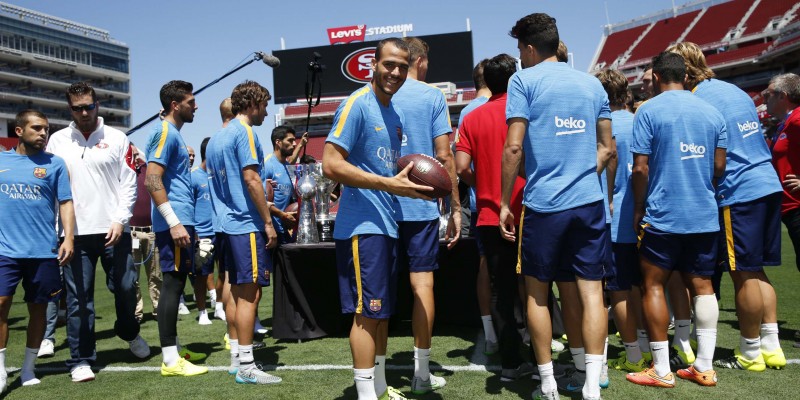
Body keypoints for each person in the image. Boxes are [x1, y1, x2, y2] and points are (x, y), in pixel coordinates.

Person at [501, 13, 614, 400]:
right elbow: (607, 148)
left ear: (530, 49)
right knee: (592, 294)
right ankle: (592, 386)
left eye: (520, 50)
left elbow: (514, 146)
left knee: (536, 294)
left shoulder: (523, 80)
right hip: (588, 202)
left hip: (544, 204)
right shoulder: (592, 84)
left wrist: (503, 202)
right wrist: (582, 171)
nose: (520, 58)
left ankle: (548, 383)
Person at [322, 37, 434, 400]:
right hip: (362, 226)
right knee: (366, 313)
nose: (396, 73)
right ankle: (366, 393)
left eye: (402, 66)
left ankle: (381, 387)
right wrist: (389, 184)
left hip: (386, 224)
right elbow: (330, 164)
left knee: (380, 312)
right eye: (389, 65)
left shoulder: (394, 113)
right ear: (374, 63)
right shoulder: (357, 105)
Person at [667, 42, 785, 372]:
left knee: (742, 271)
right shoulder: (732, 90)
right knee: (757, 269)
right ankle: (770, 344)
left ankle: (749, 351)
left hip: (739, 188)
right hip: (766, 181)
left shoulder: (697, 100)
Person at [626, 52, 727, 388]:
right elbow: (718, 167)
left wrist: (639, 206)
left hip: (663, 214)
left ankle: (660, 368)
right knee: (703, 286)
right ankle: (704, 367)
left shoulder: (648, 110)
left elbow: (640, 168)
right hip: (703, 212)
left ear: (655, 76)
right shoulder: (713, 112)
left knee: (653, 284)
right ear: (686, 76)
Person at [45, 82, 147, 383]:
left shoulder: (117, 138)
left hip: (114, 229)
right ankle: (81, 358)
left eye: (89, 105)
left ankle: (129, 332)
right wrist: (60, 231)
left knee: (127, 290)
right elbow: (52, 189)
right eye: (78, 108)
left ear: (97, 105)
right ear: (70, 109)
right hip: (74, 234)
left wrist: (119, 219)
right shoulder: (57, 141)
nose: (85, 112)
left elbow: (129, 182)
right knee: (79, 301)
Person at [389, 36, 461, 395]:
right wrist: (455, 207)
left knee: (379, 289)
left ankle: (373, 374)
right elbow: (444, 156)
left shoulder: (374, 92)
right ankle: (420, 372)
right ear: (420, 60)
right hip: (419, 204)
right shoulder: (431, 95)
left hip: (382, 203)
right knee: (423, 285)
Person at [456, 53, 532, 381]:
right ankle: (544, 355)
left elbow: (460, 168)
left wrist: (485, 185)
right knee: (536, 286)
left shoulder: (471, 118)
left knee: (501, 289)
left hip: (489, 214)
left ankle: (511, 363)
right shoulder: (526, 113)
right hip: (529, 210)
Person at [206, 80, 279, 385]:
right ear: (252, 104)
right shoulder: (245, 131)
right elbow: (251, 180)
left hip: (224, 226)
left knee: (236, 295)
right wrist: (267, 221)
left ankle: (238, 358)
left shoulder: (215, 139)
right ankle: (247, 365)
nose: (265, 112)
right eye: (264, 105)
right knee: (249, 297)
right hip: (244, 225)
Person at [0, 110, 74, 393]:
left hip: (43, 251)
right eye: (37, 128)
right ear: (19, 131)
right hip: (5, 250)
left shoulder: (55, 164)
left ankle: (29, 367)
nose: (44, 133)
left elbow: (66, 202)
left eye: (46, 129)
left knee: (38, 309)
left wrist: (68, 238)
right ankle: (1, 371)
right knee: (1, 305)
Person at [144, 80, 206, 377]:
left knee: (177, 282)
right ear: (175, 105)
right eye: (191, 102)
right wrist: (174, 222)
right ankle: (170, 360)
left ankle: (176, 349)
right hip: (175, 222)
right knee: (172, 285)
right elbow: (152, 180)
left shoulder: (174, 134)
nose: (196, 106)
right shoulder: (165, 132)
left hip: (182, 220)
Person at [596, 69, 646, 373]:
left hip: (614, 219)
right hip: (645, 216)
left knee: (617, 290)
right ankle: (642, 344)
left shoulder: (604, 126)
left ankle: (632, 353)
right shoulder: (641, 119)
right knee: (641, 285)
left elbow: (610, 156)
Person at [456, 59, 498, 355]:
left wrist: (479, 186)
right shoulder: (511, 105)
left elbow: (462, 167)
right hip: (517, 202)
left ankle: (490, 332)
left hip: (481, 203)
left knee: (486, 265)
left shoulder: (468, 112)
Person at [767, 73, 800, 348]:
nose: (765, 98)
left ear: (783, 96)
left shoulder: (798, 119)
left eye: (769, 93)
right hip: (790, 207)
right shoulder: (787, 122)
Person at [129, 144, 162, 322]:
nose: (134, 156)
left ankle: (158, 309)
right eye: (130, 153)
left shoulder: (147, 169)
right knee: (132, 276)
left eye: (135, 152)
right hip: (132, 233)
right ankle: (137, 312)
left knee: (155, 275)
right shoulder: (123, 171)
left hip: (151, 231)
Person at [190, 139, 216, 326]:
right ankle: (202, 312)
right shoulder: (194, 176)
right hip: (202, 233)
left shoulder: (218, 176)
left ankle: (220, 307)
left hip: (221, 231)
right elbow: (189, 207)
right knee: (201, 275)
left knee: (224, 272)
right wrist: (195, 233)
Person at [264, 126, 299, 244]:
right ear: (278, 143)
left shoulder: (287, 166)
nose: (294, 144)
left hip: (284, 229)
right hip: (272, 231)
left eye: (294, 140)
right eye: (290, 140)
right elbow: (261, 201)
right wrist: (282, 215)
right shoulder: (268, 165)